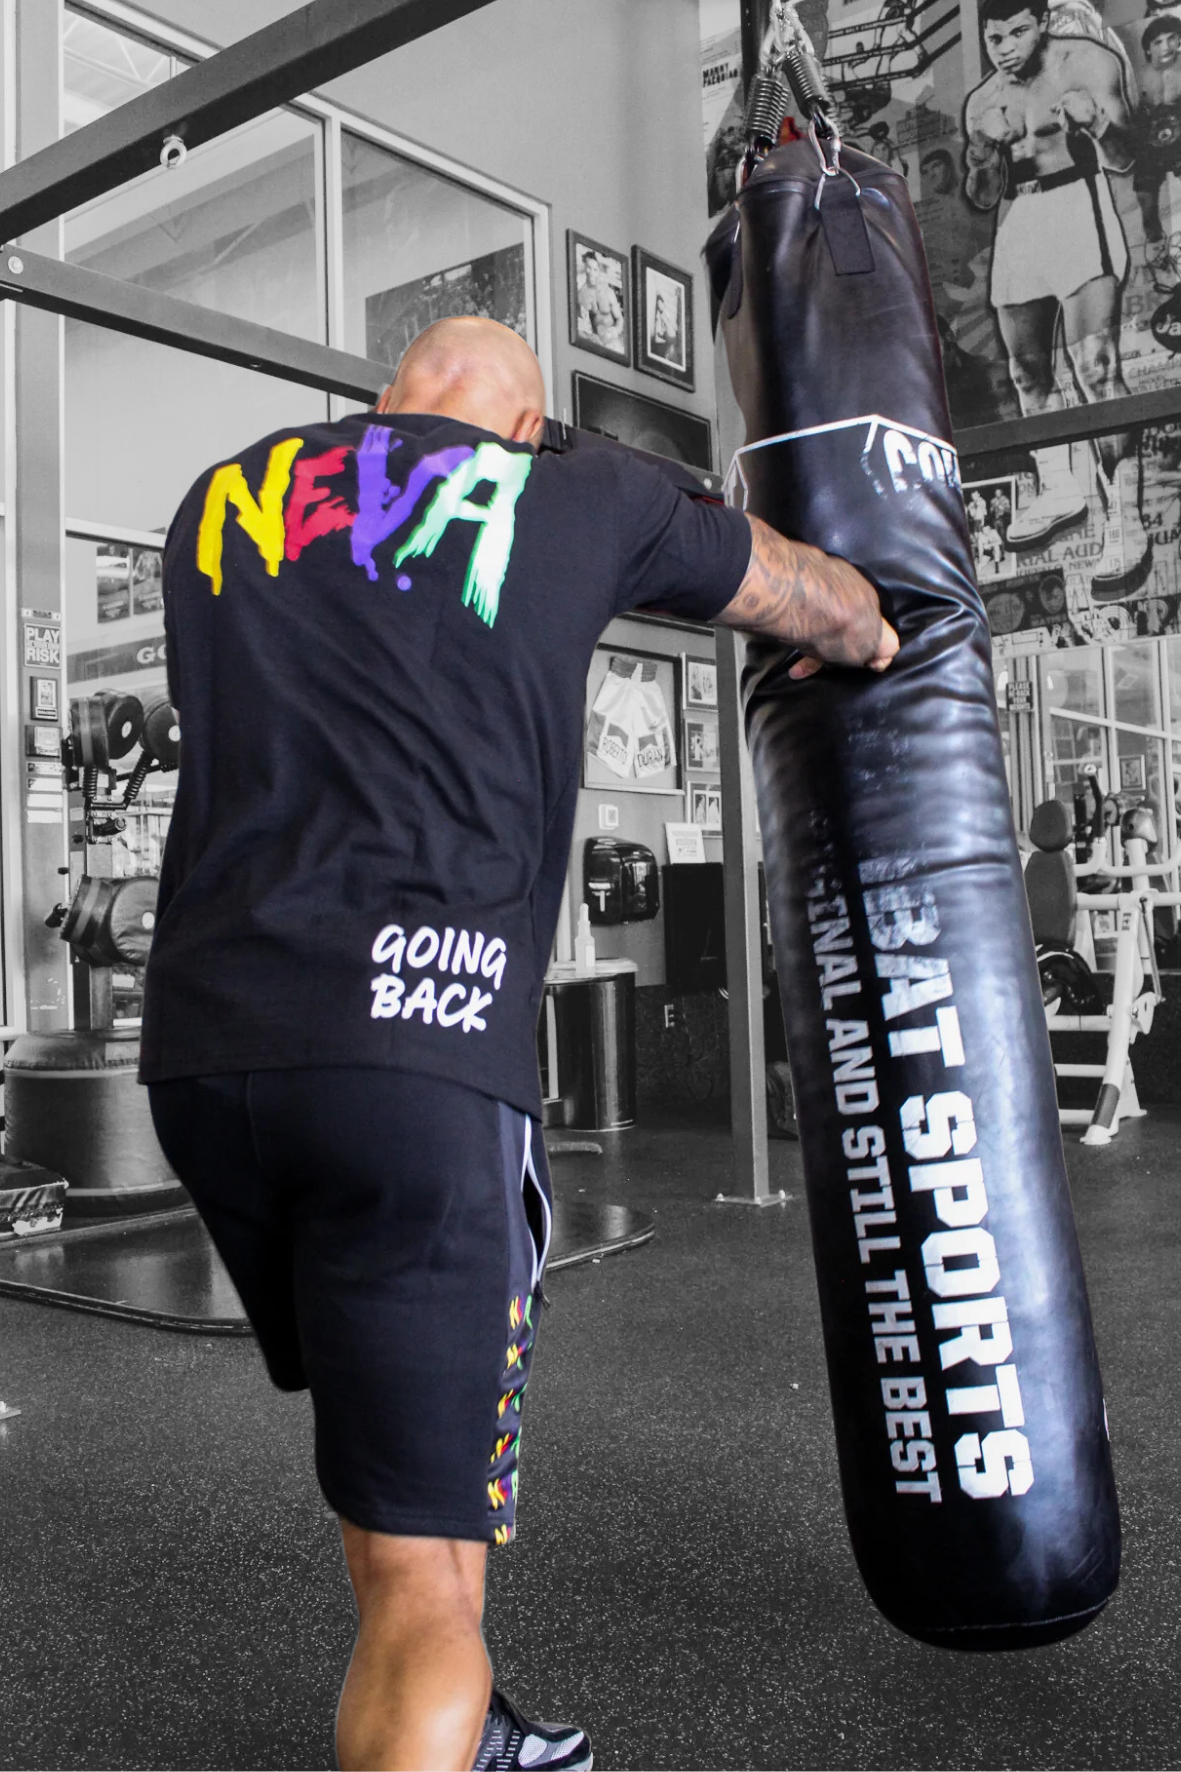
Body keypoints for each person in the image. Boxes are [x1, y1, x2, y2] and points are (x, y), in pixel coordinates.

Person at [140, 315, 897, 1772]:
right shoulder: (576, 493)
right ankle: (440, 1705)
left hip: (207, 1059)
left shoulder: (219, 501)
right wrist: (876, 625)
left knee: (395, 1473)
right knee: (428, 1570)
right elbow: (807, 597)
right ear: (530, 423)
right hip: (413, 1064)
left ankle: (470, 1729)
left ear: (383, 402)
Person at [963, 0, 1150, 598]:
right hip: (1020, 219)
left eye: (1019, 32)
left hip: (1079, 204)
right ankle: (1060, 487)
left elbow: (1126, 155)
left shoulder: (1087, 62)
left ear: (1042, 24)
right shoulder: (984, 100)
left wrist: (1095, 123)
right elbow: (984, 195)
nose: (1007, 48)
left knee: (1095, 367)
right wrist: (983, 154)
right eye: (995, 38)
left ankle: (1126, 518)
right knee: (1026, 373)